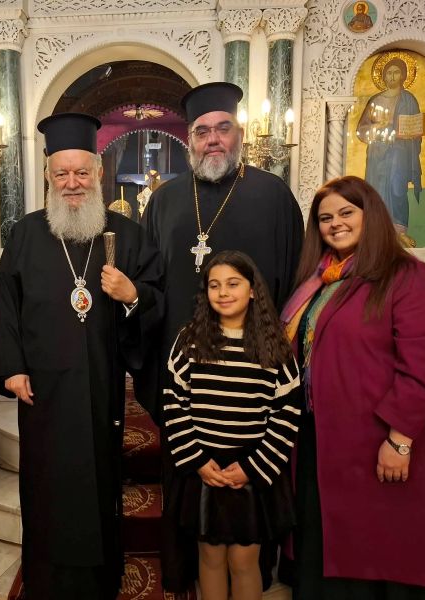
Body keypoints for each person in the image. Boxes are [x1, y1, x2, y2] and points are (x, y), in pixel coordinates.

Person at [0, 112, 163, 600]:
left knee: (98, 482)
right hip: (43, 392)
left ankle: (99, 581)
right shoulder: (26, 234)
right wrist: (11, 368)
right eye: (61, 173)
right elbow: (5, 303)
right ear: (47, 175)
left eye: (82, 172)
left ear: (99, 172)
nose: (72, 183)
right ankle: (47, 581)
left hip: (102, 388)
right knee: (48, 486)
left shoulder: (127, 234)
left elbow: (156, 297)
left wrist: (132, 296)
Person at [142, 81, 303, 592]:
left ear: (240, 134)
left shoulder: (273, 196)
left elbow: (293, 282)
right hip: (189, 376)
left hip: (257, 377)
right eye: (202, 131)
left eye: (223, 128)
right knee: (196, 516)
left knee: (245, 543)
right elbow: (149, 284)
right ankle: (183, 572)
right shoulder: (164, 200)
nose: (213, 139)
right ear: (189, 139)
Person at [279, 175, 425, 599]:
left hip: (380, 440)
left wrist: (399, 440)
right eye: (325, 218)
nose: (335, 223)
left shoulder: (406, 275)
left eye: (346, 212)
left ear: (371, 215)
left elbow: (422, 368)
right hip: (322, 439)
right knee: (331, 551)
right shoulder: (318, 280)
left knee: (388, 551)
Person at [163, 250, 301, 600]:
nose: (223, 292)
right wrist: (197, 461)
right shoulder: (190, 340)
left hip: (250, 467)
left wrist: (253, 468)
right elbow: (174, 403)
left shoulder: (274, 345)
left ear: (253, 290)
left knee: (243, 560)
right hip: (204, 465)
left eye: (233, 284)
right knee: (209, 557)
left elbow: (286, 413)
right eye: (214, 285)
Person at [356, 56, 422, 247]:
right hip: (378, 154)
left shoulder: (409, 100)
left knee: (397, 189)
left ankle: (399, 233)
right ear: (383, 76)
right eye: (389, 73)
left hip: (400, 153)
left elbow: (416, 128)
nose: (392, 76)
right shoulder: (375, 100)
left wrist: (409, 133)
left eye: (396, 72)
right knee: (376, 190)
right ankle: (375, 231)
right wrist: (378, 128)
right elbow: (361, 130)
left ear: (403, 75)